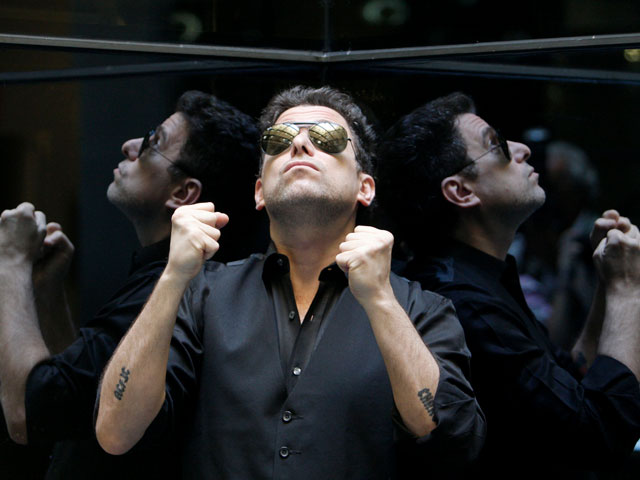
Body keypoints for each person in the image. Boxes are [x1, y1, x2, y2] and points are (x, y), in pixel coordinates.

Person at [95, 85, 486, 479]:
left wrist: (381, 300)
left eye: (327, 138)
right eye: (278, 140)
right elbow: (115, 433)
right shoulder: (201, 293)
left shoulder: (422, 308)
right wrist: (173, 276)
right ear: (259, 192)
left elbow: (454, 438)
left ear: (364, 187)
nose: (299, 144)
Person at [0, 90, 266, 479]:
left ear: (182, 193)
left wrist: (10, 259)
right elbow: (76, 398)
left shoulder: (169, 291)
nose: (129, 146)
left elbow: (28, 414)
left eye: (153, 143)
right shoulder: (165, 282)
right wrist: (48, 289)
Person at [377, 92, 640, 479]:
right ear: (462, 191)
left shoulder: (482, 278)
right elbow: (601, 434)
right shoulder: (464, 303)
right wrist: (627, 288)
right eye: (497, 145)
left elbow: (571, 376)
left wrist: (607, 280)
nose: (522, 149)